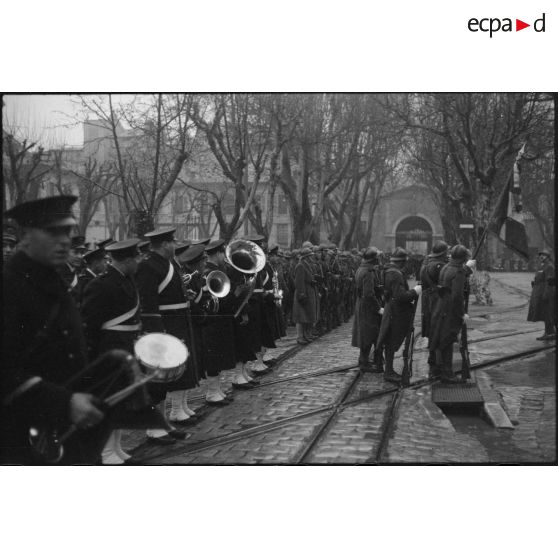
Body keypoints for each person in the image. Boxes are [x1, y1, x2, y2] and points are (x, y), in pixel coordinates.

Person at [1, 195, 106, 464]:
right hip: (24, 439)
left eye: (68, 230)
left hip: (66, 433)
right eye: (52, 232)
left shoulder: (51, 277)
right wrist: (63, 402)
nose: (64, 239)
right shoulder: (9, 287)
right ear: (24, 235)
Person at [81, 239, 154, 464]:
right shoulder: (101, 285)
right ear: (128, 260)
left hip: (127, 346)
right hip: (109, 349)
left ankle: (116, 447)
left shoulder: (127, 279)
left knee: (124, 398)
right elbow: (88, 324)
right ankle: (105, 452)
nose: (140, 262)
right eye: (137, 258)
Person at [135, 228, 192, 445]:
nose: (175, 246)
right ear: (163, 244)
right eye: (172, 242)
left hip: (175, 323)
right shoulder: (149, 266)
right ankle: (154, 428)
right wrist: (158, 334)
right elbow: (148, 305)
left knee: (167, 381)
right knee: (157, 382)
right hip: (161, 327)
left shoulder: (167, 264)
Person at [428, 245, 476, 383]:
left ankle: (438, 370)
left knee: (441, 338)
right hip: (450, 310)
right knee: (448, 340)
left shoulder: (446, 267)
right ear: (463, 258)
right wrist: (461, 314)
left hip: (440, 307)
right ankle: (447, 373)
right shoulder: (459, 272)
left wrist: (467, 268)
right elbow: (457, 296)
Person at [375, 247, 422, 384]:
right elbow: (401, 296)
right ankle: (388, 371)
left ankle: (388, 370)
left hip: (392, 308)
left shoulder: (389, 271)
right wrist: (415, 291)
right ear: (401, 262)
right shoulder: (395, 274)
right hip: (396, 312)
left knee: (390, 340)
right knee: (391, 341)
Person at [419, 241, 449, 378]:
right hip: (436, 301)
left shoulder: (426, 264)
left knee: (432, 330)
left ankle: (432, 358)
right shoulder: (439, 266)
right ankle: (438, 364)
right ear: (442, 253)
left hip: (428, 301)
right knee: (439, 330)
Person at [352, 247, 383, 372]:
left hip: (362, 304)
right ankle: (364, 363)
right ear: (374, 259)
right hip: (368, 307)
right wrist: (378, 308)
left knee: (365, 332)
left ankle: (363, 359)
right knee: (368, 333)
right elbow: (369, 294)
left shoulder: (361, 269)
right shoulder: (368, 272)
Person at [528, 249, 556, 340]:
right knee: (544, 314)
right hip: (539, 293)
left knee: (548, 314)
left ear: (548, 257)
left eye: (544, 255)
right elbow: (539, 278)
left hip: (546, 293)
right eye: (541, 255)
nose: (542, 257)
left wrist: (546, 294)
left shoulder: (550, 267)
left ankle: (550, 333)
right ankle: (547, 333)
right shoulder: (541, 266)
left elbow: (550, 282)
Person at [293, 247, 318, 345]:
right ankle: (300, 337)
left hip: (308, 291)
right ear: (306, 257)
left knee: (307, 315)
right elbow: (299, 282)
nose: (312, 257)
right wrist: (302, 294)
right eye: (310, 256)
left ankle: (305, 335)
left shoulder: (306, 265)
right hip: (302, 293)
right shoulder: (300, 266)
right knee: (301, 317)